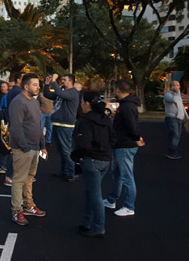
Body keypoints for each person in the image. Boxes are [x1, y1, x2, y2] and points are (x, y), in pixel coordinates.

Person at [71, 91, 116, 238]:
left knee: (95, 195)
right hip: (105, 160)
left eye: (82, 101)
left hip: (91, 160)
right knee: (91, 192)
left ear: (87, 104)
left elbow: (83, 144)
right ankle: (87, 222)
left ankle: (98, 227)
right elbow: (113, 138)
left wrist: (77, 156)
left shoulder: (85, 121)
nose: (81, 104)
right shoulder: (105, 118)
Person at [8, 73, 47, 226]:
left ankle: (28, 205)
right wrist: (24, 146)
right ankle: (16, 210)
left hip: (35, 147)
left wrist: (42, 145)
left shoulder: (35, 102)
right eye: (35, 84)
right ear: (26, 86)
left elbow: (38, 125)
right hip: (23, 149)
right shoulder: (18, 102)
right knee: (18, 180)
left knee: (29, 178)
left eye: (38, 84)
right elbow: (16, 128)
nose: (38, 87)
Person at [103, 79, 145, 217]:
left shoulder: (127, 107)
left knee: (126, 177)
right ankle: (111, 199)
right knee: (118, 175)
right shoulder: (127, 105)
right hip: (120, 145)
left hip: (125, 146)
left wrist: (136, 138)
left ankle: (129, 206)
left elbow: (132, 126)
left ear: (118, 90)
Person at [44, 73, 80, 182]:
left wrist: (54, 81)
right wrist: (46, 85)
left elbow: (58, 92)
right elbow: (48, 95)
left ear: (70, 81)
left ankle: (72, 173)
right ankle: (65, 172)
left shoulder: (73, 92)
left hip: (66, 125)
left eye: (64, 80)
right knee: (61, 150)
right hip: (58, 124)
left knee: (66, 150)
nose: (62, 81)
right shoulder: (63, 92)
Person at [0, 71, 25, 181]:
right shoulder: (18, 92)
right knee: (16, 151)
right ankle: (11, 175)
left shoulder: (12, 92)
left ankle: (10, 173)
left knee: (12, 150)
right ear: (18, 80)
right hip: (16, 124)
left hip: (11, 123)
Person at [163, 81, 189, 159]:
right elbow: (173, 100)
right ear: (172, 87)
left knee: (177, 136)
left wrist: (187, 116)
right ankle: (172, 153)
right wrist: (177, 93)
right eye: (176, 85)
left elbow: (181, 106)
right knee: (175, 135)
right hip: (171, 118)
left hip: (179, 118)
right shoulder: (168, 95)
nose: (179, 87)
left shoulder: (178, 95)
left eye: (179, 85)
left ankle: (172, 151)